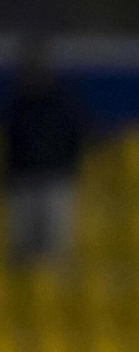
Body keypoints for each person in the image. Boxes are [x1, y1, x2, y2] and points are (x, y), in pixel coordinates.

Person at [3, 45, 86, 263]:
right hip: (24, 179)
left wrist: (67, 167)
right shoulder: (19, 103)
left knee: (56, 247)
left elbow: (77, 134)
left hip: (55, 179)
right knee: (22, 248)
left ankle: (53, 294)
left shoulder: (62, 102)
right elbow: (13, 141)